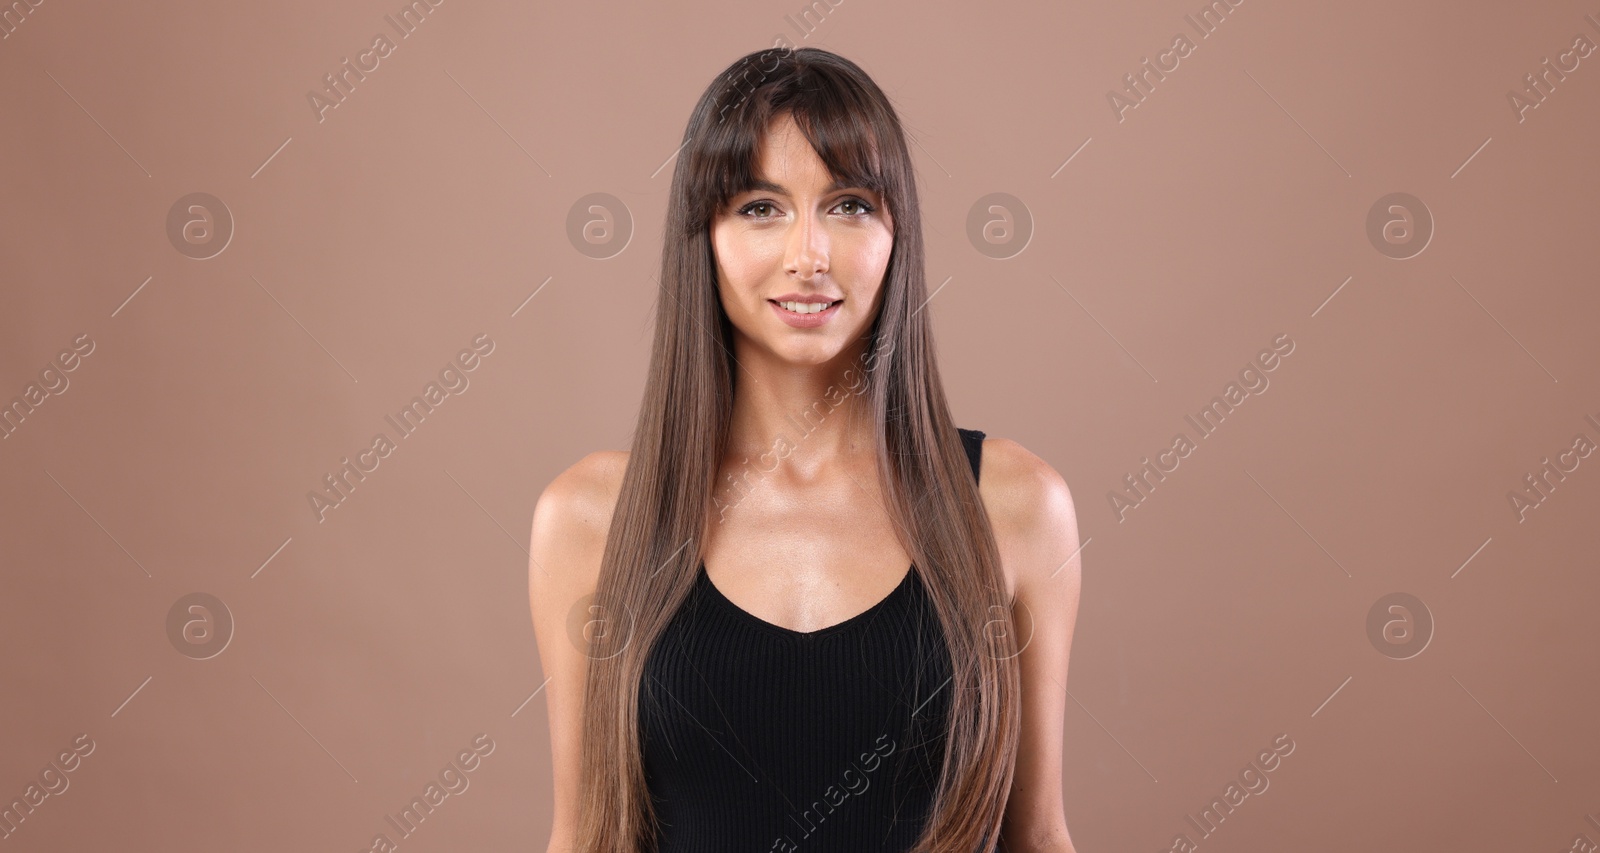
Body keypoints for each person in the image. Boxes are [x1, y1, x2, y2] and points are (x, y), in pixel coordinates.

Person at [529, 46, 1081, 853]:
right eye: (761, 207)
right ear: (704, 236)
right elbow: (584, 839)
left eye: (850, 204)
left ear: (899, 234)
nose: (809, 255)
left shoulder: (1018, 506)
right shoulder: (588, 521)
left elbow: (1038, 836)